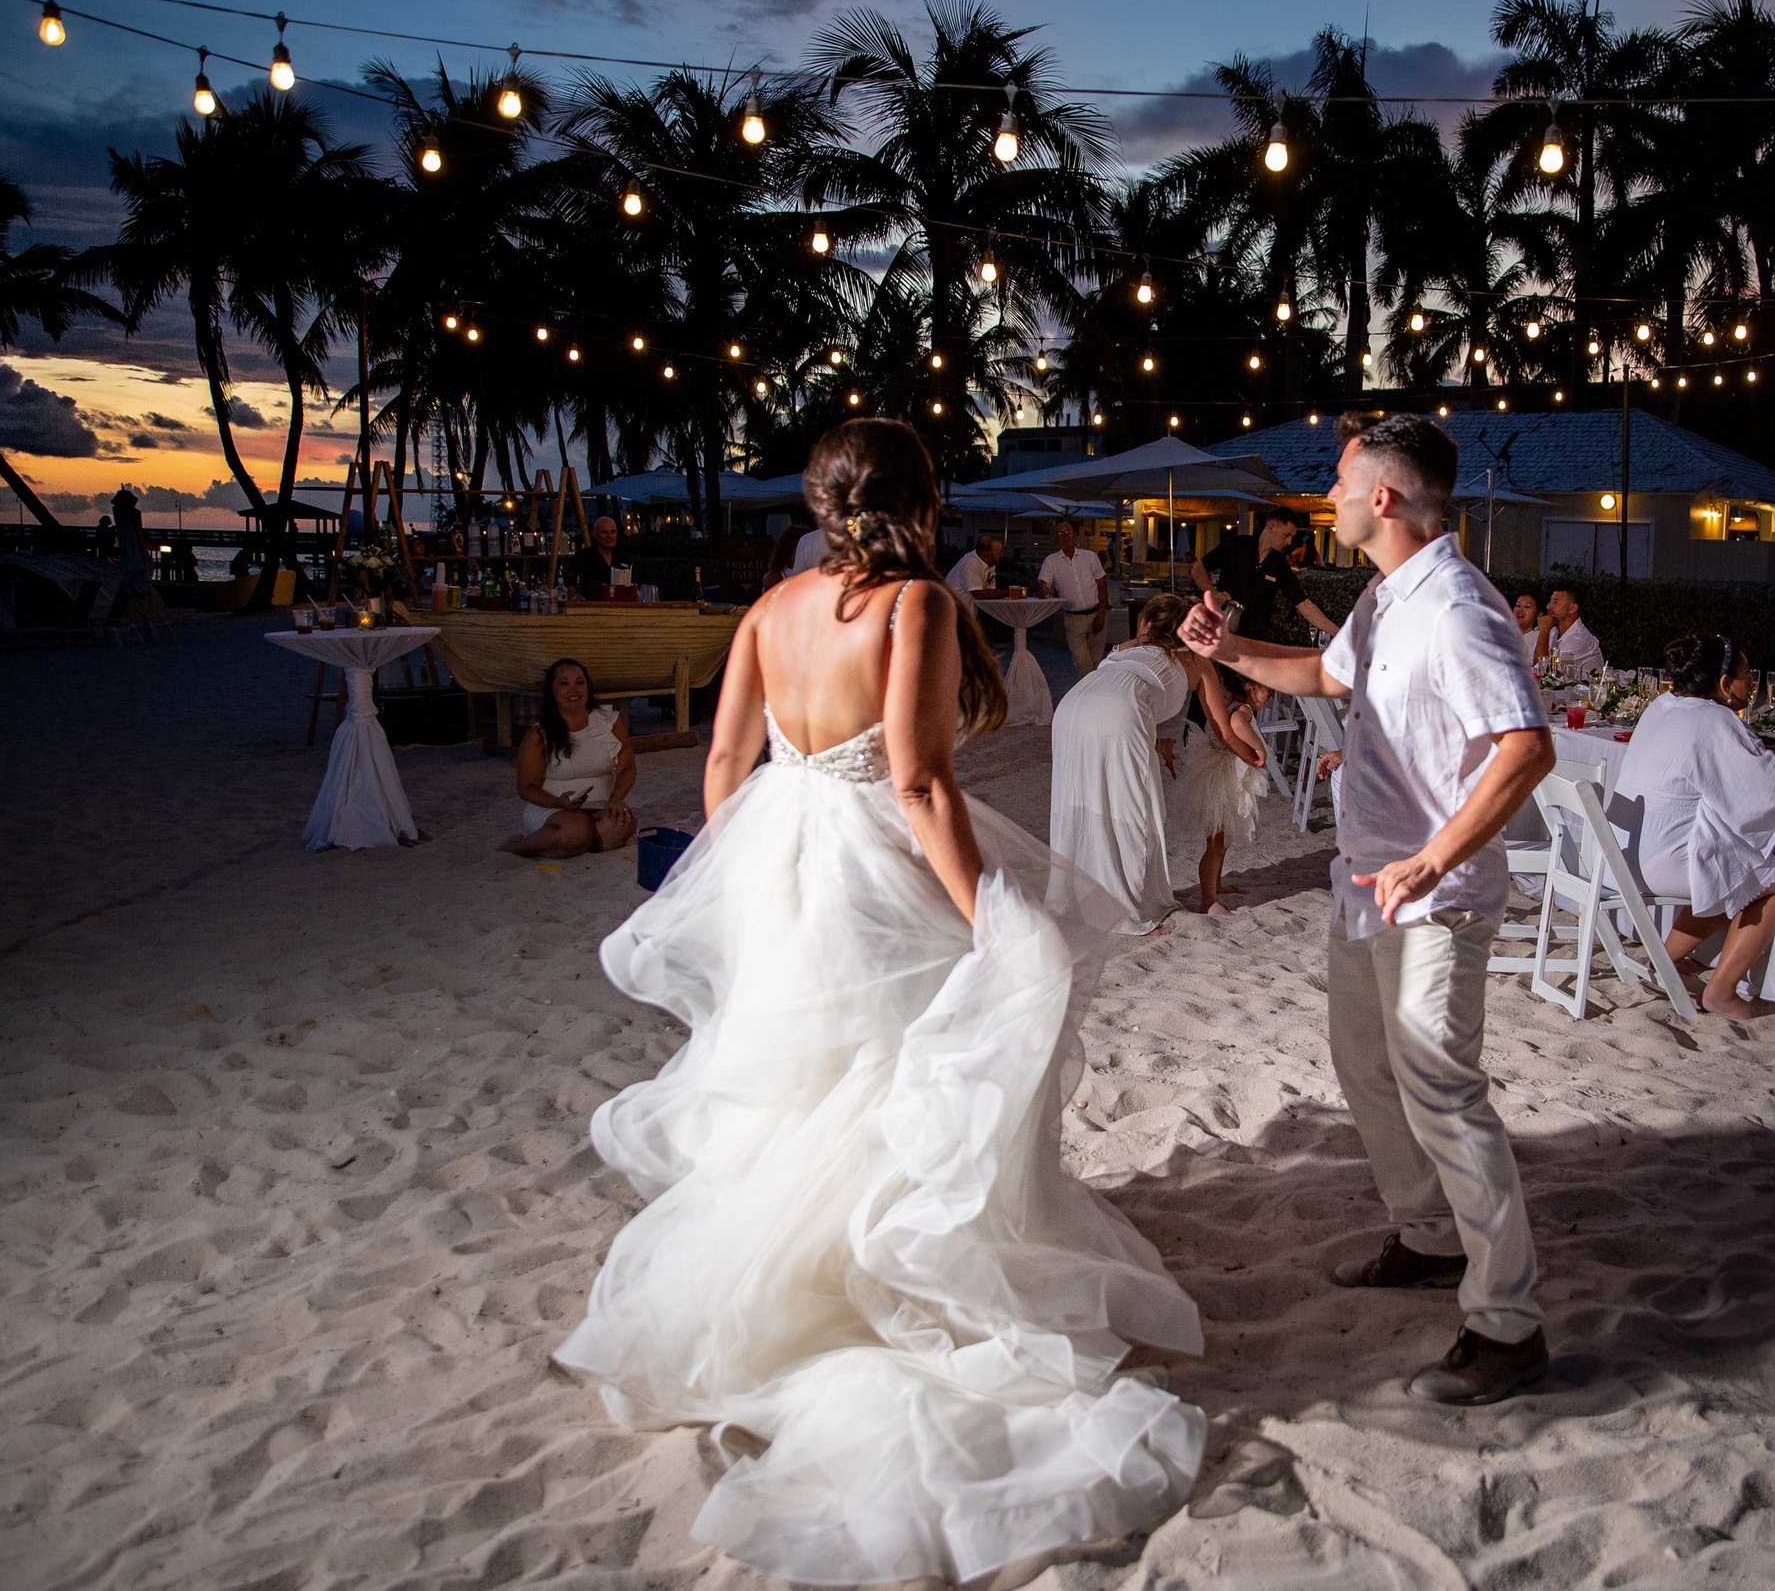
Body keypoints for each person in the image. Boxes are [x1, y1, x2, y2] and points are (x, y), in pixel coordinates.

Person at [560, 419, 1203, 1585]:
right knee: (900, 1065)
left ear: (820, 499)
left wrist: (737, 877)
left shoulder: (767, 611)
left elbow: (719, 768)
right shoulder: (913, 608)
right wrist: (992, 917)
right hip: (871, 863)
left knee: (809, 1076)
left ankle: (799, 1288)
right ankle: (892, 1281)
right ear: (921, 497)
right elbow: (916, 778)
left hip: (783, 861)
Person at [1180, 411, 1555, 1407]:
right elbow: (1324, 673)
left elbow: (1525, 747)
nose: (1328, 497)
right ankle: (1429, 1238)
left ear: (1383, 497)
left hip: (1433, 894)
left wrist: (1433, 857)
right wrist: (1232, 648)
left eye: (1342, 482)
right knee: (1364, 1065)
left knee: (1442, 1088)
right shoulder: (1389, 597)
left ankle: (1509, 1325)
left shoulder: (1460, 609)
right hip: (1364, 881)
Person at [1611, 635, 1775, 1021]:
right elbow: (1769, 787)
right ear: (1723, 684)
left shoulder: (1664, 706)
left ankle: (1663, 961)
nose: (1750, 684)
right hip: (1660, 863)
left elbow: (1738, 762)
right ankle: (1721, 991)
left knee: (1725, 863)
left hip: (1624, 853)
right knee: (1773, 877)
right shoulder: (1715, 719)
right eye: (1745, 675)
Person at [1050, 594, 1251, 933]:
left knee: (1082, 804)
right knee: (1135, 812)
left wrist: (1157, 742)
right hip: (1119, 713)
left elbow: (1116, 693)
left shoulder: (1124, 647)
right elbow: (1224, 730)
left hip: (1071, 707)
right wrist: (1255, 759)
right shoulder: (1197, 662)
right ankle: (1129, 911)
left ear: (1147, 624)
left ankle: (1079, 900)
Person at [498, 658, 638, 856]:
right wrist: (559, 803)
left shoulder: (610, 723)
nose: (574, 689)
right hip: (551, 809)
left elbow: (627, 768)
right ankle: (519, 845)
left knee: (624, 825)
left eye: (579, 682)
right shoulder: (539, 734)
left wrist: (616, 798)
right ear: (552, 691)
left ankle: (569, 843)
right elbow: (526, 788)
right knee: (576, 829)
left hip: (598, 805)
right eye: (564, 683)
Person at [1171, 665, 1273, 915]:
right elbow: (1237, 725)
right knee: (1216, 844)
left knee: (1222, 841)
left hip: (1219, 773)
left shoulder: (1229, 703)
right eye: (1267, 690)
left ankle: (1215, 885)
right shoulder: (1243, 711)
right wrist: (1258, 748)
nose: (1271, 695)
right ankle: (1208, 900)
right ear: (1252, 688)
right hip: (1225, 780)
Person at [1190, 507, 1340, 644]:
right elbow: (1198, 569)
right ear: (1272, 527)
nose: (1289, 542)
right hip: (1221, 631)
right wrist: (1212, 593)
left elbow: (1304, 604)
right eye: (1287, 535)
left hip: (1255, 640)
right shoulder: (1236, 545)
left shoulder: (1280, 565)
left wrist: (1338, 633)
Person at [1039, 519, 1109, 677]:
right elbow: (1043, 586)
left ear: (1074, 535)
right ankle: (1087, 694)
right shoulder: (1051, 562)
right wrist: (1043, 590)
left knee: (1097, 661)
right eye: (1060, 534)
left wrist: (1102, 614)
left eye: (1068, 533)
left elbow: (1101, 586)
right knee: (1081, 662)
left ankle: (1096, 697)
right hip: (1073, 619)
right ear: (1056, 539)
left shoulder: (1089, 557)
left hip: (1096, 613)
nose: (1064, 537)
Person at [1533, 586, 1605, 676]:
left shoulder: (1579, 640)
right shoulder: (1554, 632)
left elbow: (1544, 670)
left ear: (1572, 608)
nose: (1548, 606)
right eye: (1550, 601)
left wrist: (1544, 630)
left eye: (1556, 602)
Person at [573, 515, 629, 598]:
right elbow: (571, 588)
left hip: (621, 607)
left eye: (613, 532)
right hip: (590, 608)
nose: (610, 536)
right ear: (594, 534)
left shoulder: (623, 557)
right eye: (604, 532)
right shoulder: (582, 557)